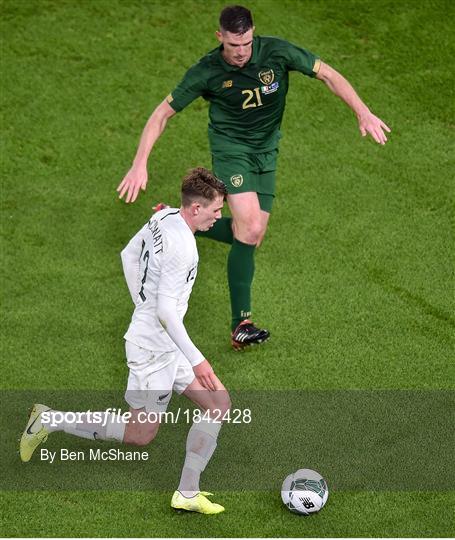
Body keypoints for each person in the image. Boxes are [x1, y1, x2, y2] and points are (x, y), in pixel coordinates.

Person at [117, 5, 391, 350]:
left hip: (267, 152)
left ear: (253, 34)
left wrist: (362, 111)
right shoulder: (207, 71)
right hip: (231, 151)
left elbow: (329, 75)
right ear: (220, 38)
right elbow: (162, 114)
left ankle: (173, 218)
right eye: (233, 46)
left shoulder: (276, 52)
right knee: (248, 227)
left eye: (246, 44)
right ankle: (240, 324)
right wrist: (140, 162)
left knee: (252, 235)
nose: (241, 52)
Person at [20, 167, 231, 515]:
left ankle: (187, 493)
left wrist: (142, 304)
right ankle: (48, 420)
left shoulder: (163, 216)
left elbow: (128, 255)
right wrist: (197, 358)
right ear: (196, 209)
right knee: (139, 435)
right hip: (152, 350)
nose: (218, 217)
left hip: (165, 342)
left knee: (218, 402)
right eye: (215, 210)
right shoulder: (184, 248)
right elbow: (165, 310)